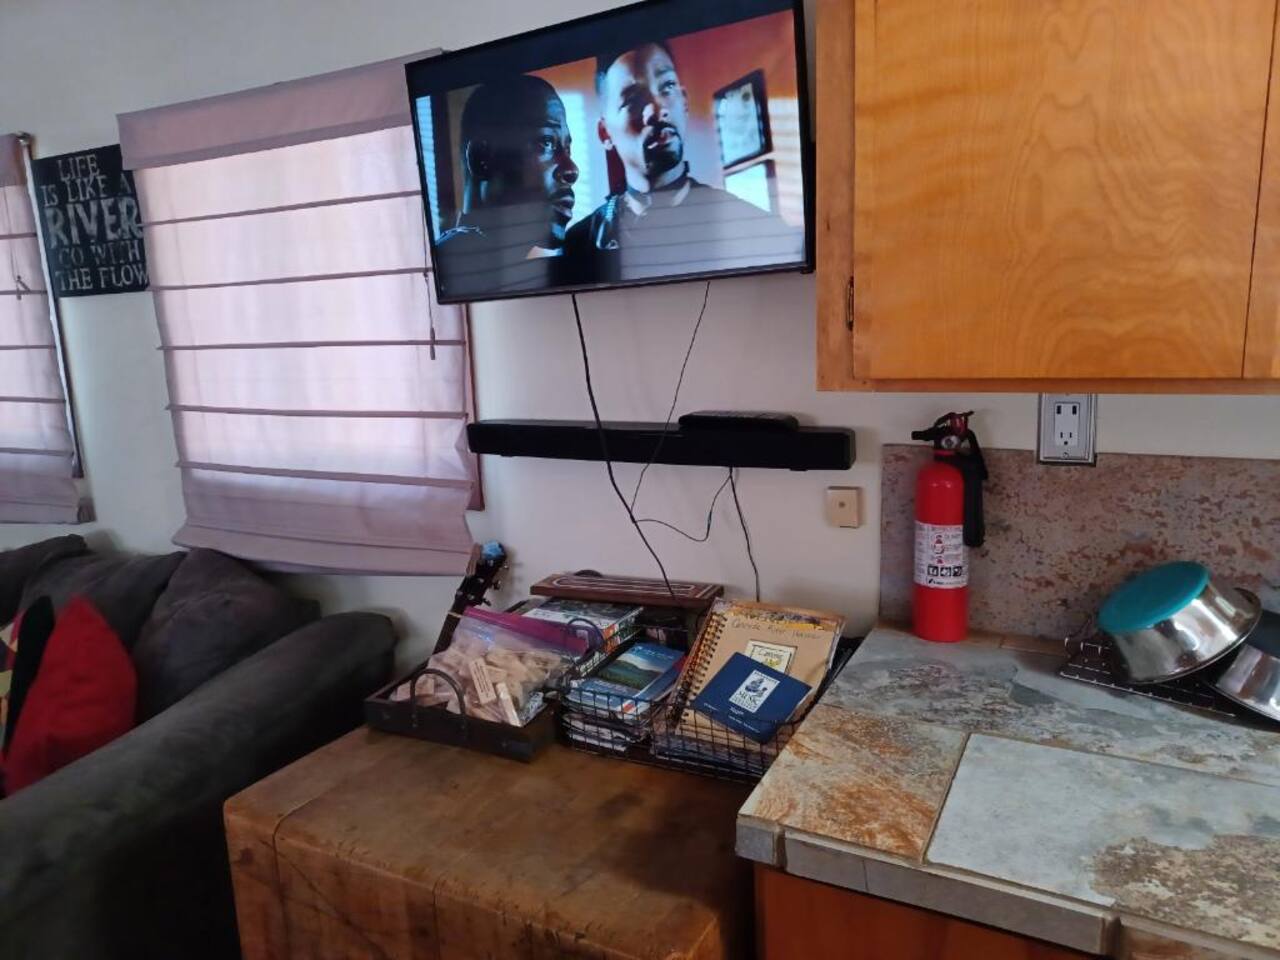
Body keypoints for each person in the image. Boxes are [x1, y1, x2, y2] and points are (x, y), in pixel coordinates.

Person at [562, 41, 803, 285]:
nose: (657, 110)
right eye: (633, 99)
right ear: (605, 133)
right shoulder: (578, 245)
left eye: (667, 87)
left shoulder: (754, 226)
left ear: (685, 101)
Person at [434, 75, 579, 299]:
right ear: (481, 158)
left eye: (567, 149)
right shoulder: (451, 271)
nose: (572, 170)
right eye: (546, 142)